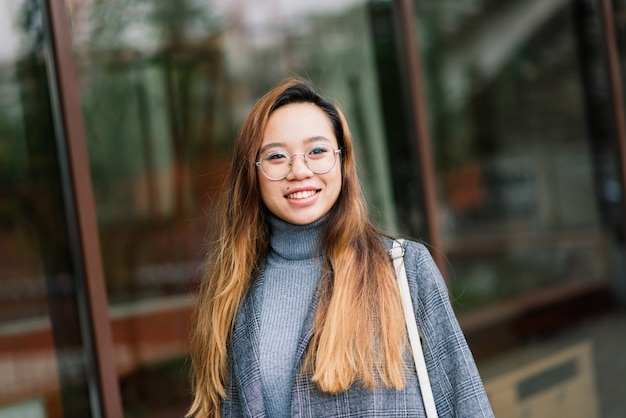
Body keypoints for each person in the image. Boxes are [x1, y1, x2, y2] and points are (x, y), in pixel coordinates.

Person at [187, 77, 494, 417]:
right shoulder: (232, 290)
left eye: (317, 151)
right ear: (253, 173)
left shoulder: (404, 269)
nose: (299, 170)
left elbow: (468, 405)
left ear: (342, 161)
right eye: (276, 156)